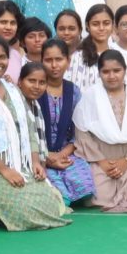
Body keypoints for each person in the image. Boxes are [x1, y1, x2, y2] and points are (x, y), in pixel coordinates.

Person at [0, 33, 70, 230]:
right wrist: (5, 170)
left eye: (2, 57)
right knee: (23, 210)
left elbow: (28, 128)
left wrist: (35, 161)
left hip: (19, 164)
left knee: (51, 204)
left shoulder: (13, 90)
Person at [74, 49, 127, 211]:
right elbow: (82, 133)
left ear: (125, 70)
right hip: (101, 159)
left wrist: (126, 161)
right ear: (99, 73)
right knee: (98, 199)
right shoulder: (90, 97)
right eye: (106, 72)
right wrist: (102, 162)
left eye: (117, 70)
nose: (111, 76)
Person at [29, 39, 94, 206]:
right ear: (41, 61)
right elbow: (26, 130)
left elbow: (79, 131)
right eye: (48, 60)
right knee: (60, 197)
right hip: (37, 155)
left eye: (59, 59)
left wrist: (60, 155)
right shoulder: (33, 90)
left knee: (86, 188)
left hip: (66, 153)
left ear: (68, 61)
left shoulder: (74, 91)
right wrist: (47, 156)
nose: (54, 65)